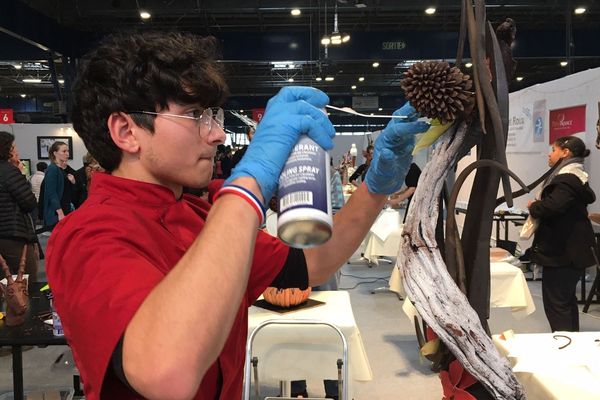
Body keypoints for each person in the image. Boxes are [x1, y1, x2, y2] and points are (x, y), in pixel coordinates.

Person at [46, 31, 428, 399]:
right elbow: (166, 373)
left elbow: (312, 263)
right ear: (127, 131)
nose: (215, 135)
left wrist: (377, 184)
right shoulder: (88, 235)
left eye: (214, 115)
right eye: (195, 115)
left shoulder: (199, 212)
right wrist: (248, 187)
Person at [527, 135, 596, 332]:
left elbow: (552, 207)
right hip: (569, 253)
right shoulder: (576, 179)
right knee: (565, 301)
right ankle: (571, 346)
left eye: (553, 150)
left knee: (557, 304)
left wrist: (534, 206)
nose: (550, 154)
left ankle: (564, 348)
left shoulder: (566, 179)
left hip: (563, 254)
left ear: (565, 153)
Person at [0, 131, 39, 281]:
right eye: (13, 147)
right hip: (13, 236)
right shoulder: (9, 171)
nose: (16, 150)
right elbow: (29, 203)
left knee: (4, 283)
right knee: (25, 284)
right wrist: (20, 173)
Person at [42, 141, 77, 229]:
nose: (67, 154)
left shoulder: (61, 169)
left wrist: (72, 182)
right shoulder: (53, 169)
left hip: (65, 209)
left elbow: (67, 191)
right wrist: (60, 213)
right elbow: (51, 193)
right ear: (55, 153)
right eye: (64, 151)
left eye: (68, 151)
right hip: (57, 213)